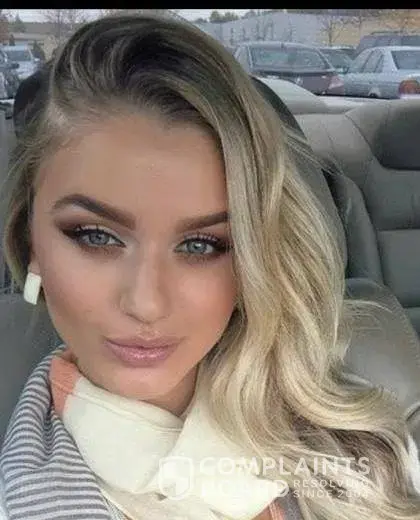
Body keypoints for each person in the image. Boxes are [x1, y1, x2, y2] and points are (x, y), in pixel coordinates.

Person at [0, 13, 419, 520]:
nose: (146, 303)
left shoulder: (366, 429)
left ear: (252, 259)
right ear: (30, 239)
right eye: (96, 236)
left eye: (201, 245)